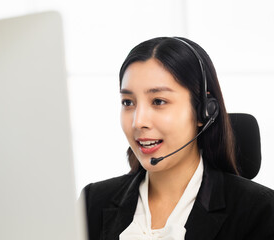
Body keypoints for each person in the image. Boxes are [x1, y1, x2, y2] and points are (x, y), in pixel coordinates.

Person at [81, 37, 274, 240]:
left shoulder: (260, 212)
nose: (138, 122)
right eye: (128, 102)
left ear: (203, 112)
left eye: (158, 101)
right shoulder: (92, 202)